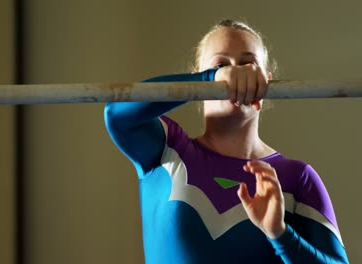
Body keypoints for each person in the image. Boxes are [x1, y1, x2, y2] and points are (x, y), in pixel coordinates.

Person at [104, 20, 349, 263]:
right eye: (222, 65)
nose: (237, 74)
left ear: (267, 82)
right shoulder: (168, 151)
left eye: (248, 64)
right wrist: (209, 79)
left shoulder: (297, 177)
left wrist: (280, 234)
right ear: (196, 81)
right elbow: (116, 114)